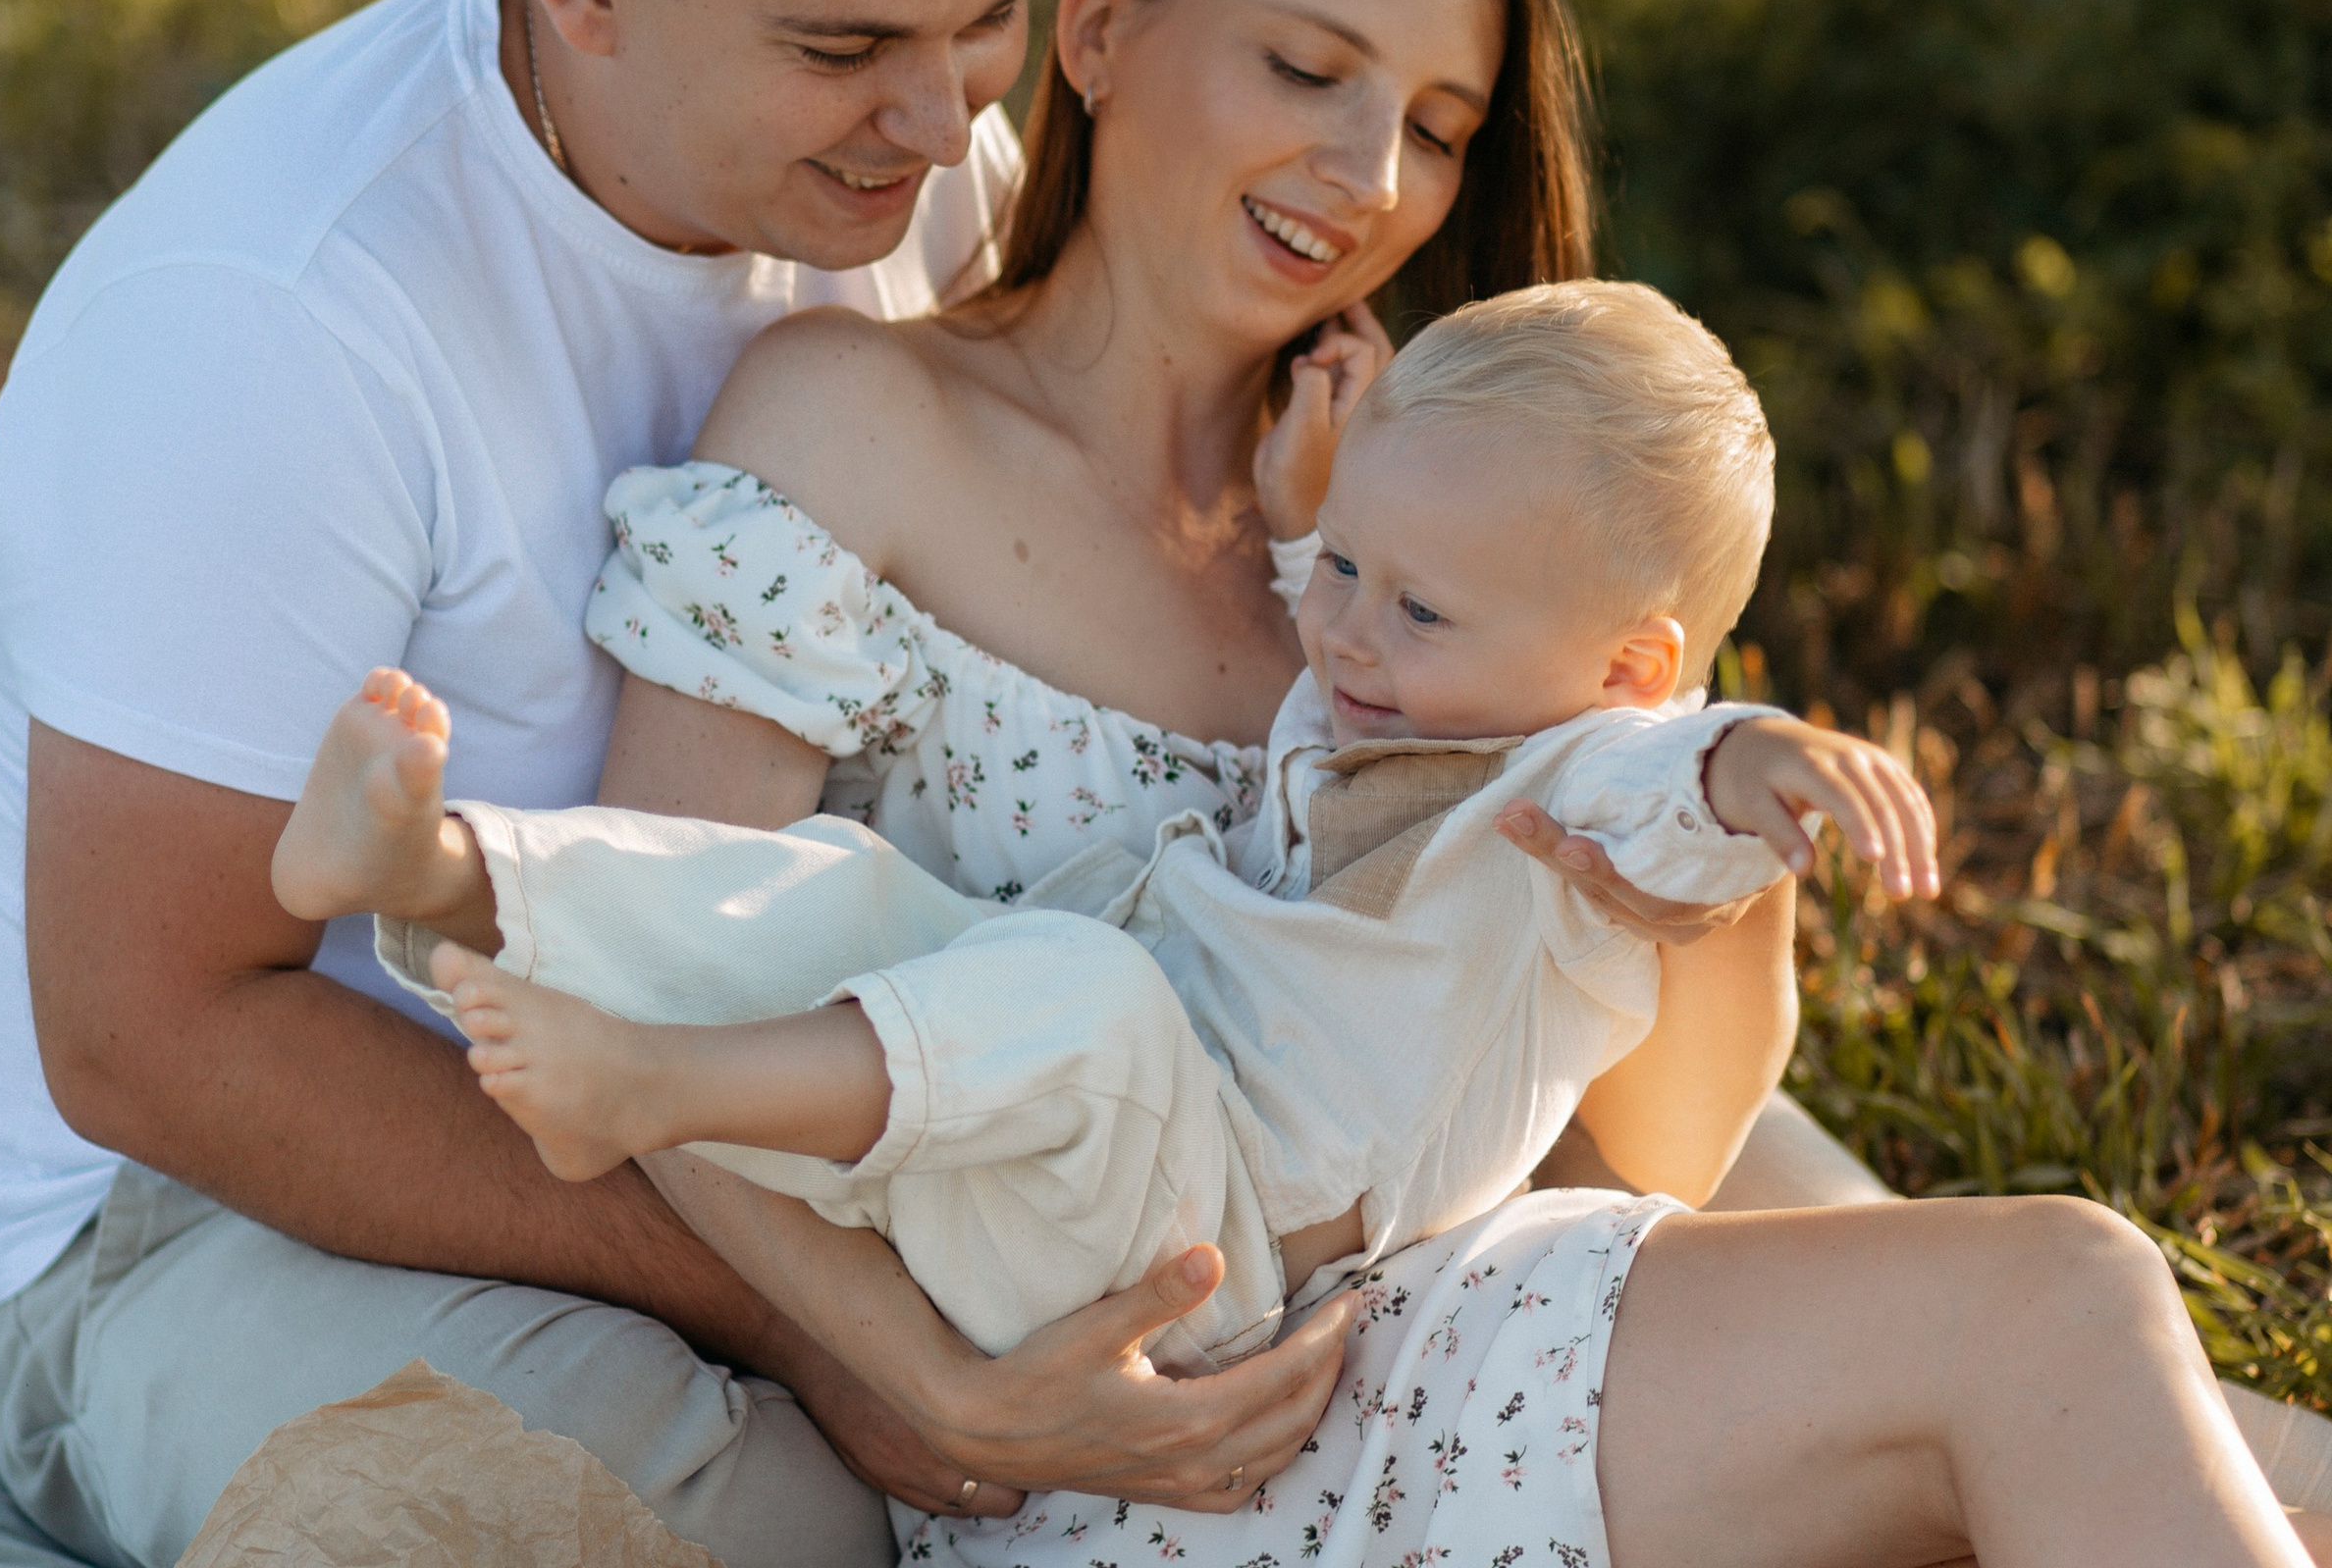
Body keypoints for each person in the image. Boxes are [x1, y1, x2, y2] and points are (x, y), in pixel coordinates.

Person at [542, 0, 2332, 1568]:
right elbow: (630, 973)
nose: (1367, 170)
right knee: (2060, 1302)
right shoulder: (858, 427)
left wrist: (1702, 864)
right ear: (1095, 34)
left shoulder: (1438, 521)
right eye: (1305, 66)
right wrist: (915, 1387)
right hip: (1163, 1483)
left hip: (1466, 1387)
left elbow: (1647, 1149)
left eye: (1439, 124)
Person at [0, 0, 1352, 1568]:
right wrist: (824, 1322)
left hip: (779, 1077)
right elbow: (149, 1036)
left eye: (982, 23)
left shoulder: (916, 142)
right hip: (199, 1213)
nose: (944, 119)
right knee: (750, 1566)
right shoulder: (273, 320)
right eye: (845, 45)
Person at [266, 285, 1932, 1380]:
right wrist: (1311, 521)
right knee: (843, 897)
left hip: (1220, 1248)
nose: (1344, 636)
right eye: (1346, 571)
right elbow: (1340, 601)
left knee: (1082, 1002)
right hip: (1075, 1166)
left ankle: (654, 1086)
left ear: (1625, 671)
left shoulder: (1569, 790)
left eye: (1412, 604)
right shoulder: (1390, 676)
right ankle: (439, 874)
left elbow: (1682, 782)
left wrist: (1766, 753)